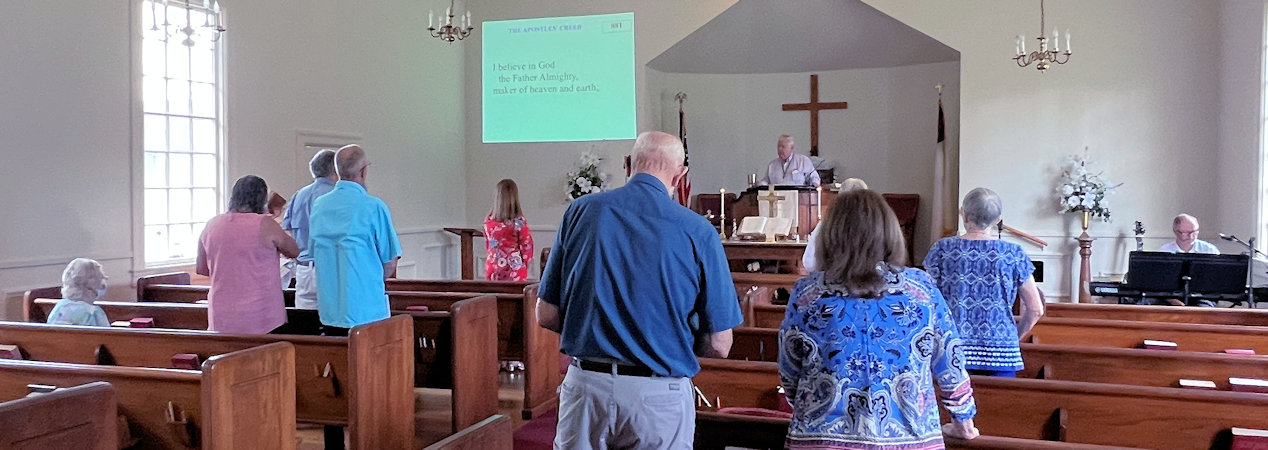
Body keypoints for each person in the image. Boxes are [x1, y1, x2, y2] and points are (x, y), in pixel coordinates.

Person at [537, 131, 743, 449]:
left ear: (627, 164)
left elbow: (547, 313)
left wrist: (595, 330)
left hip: (587, 387)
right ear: (680, 174)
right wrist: (668, 343)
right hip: (658, 395)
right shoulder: (698, 230)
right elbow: (720, 343)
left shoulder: (580, 211)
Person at [779, 189, 978, 448]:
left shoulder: (808, 293)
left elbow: (790, 371)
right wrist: (963, 419)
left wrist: (811, 407)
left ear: (831, 235)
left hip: (821, 439)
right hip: (910, 438)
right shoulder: (920, 289)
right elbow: (950, 359)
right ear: (889, 232)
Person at [923, 187, 1044, 377]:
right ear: (997, 220)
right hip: (1002, 355)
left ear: (964, 215)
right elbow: (1036, 309)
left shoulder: (942, 249)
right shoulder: (1014, 254)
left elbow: (924, 300)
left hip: (952, 351)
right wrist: (1013, 338)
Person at [310, 144, 402, 337]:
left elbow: (313, 254)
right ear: (363, 171)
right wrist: (367, 281)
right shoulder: (374, 207)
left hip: (330, 310)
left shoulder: (319, 206)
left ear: (338, 171)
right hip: (367, 310)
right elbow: (390, 262)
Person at [196, 175, 300, 334]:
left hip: (222, 313)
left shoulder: (212, 224)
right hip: (261, 313)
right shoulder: (265, 224)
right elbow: (293, 251)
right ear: (262, 199)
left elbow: (202, 268)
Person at [282, 149, 338, 309]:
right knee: (336, 321)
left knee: (306, 320)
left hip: (305, 270)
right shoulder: (337, 196)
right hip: (332, 269)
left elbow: (287, 230)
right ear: (336, 170)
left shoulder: (299, 195)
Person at [801, 177, 868, 272]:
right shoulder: (876, 226)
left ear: (839, 198)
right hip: (866, 278)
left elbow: (809, 263)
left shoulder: (825, 226)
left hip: (832, 278)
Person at [484, 179, 534, 281]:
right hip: (514, 269)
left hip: (493, 268)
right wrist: (524, 264)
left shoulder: (488, 222)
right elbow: (527, 247)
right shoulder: (519, 222)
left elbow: (488, 246)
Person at [46, 258, 110, 327]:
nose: (103, 285)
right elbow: (108, 333)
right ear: (91, 283)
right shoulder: (94, 314)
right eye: (101, 278)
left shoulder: (59, 307)